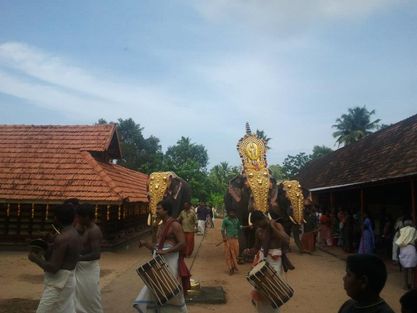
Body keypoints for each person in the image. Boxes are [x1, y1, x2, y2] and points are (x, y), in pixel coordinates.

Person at [134, 200, 189, 313]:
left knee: (170, 287)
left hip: (171, 261)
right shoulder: (160, 225)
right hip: (159, 260)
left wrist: (167, 251)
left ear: (166, 210)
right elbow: (157, 247)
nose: (157, 211)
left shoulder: (175, 224)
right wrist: (145, 244)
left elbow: (183, 243)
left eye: (159, 209)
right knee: (155, 287)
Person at [28, 203, 82, 313]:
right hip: (69, 280)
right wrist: (49, 246)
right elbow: (63, 255)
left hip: (58, 284)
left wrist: (34, 258)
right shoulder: (74, 233)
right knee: (64, 310)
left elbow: (53, 267)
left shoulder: (62, 238)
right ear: (73, 218)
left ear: (56, 219)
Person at [248, 210, 290, 313]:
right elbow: (256, 248)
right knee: (260, 292)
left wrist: (272, 227)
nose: (257, 226)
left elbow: (286, 239)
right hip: (263, 261)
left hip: (275, 262)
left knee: (273, 292)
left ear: (263, 218)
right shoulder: (258, 231)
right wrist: (248, 251)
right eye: (255, 225)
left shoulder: (277, 225)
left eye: (258, 223)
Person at [74, 203, 104, 313]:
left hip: (89, 270)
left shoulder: (94, 231)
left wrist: (78, 258)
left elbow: (96, 254)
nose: (77, 219)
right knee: (80, 299)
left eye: (79, 217)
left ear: (86, 217)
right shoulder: (86, 228)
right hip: (83, 269)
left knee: (91, 299)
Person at [395, 220, 417, 290]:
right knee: (413, 269)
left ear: (404, 224)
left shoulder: (401, 230)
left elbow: (398, 237)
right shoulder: (414, 229)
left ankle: (406, 285)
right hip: (411, 248)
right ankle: (413, 286)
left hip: (403, 249)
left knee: (405, 269)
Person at [221, 208, 241, 275]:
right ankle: (230, 268)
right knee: (228, 254)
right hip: (228, 240)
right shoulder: (225, 220)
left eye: (233, 212)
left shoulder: (237, 220)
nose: (232, 214)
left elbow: (239, 227)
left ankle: (233, 266)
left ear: (235, 213)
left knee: (235, 254)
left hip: (235, 239)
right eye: (230, 212)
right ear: (228, 213)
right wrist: (224, 237)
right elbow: (222, 230)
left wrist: (247, 226)